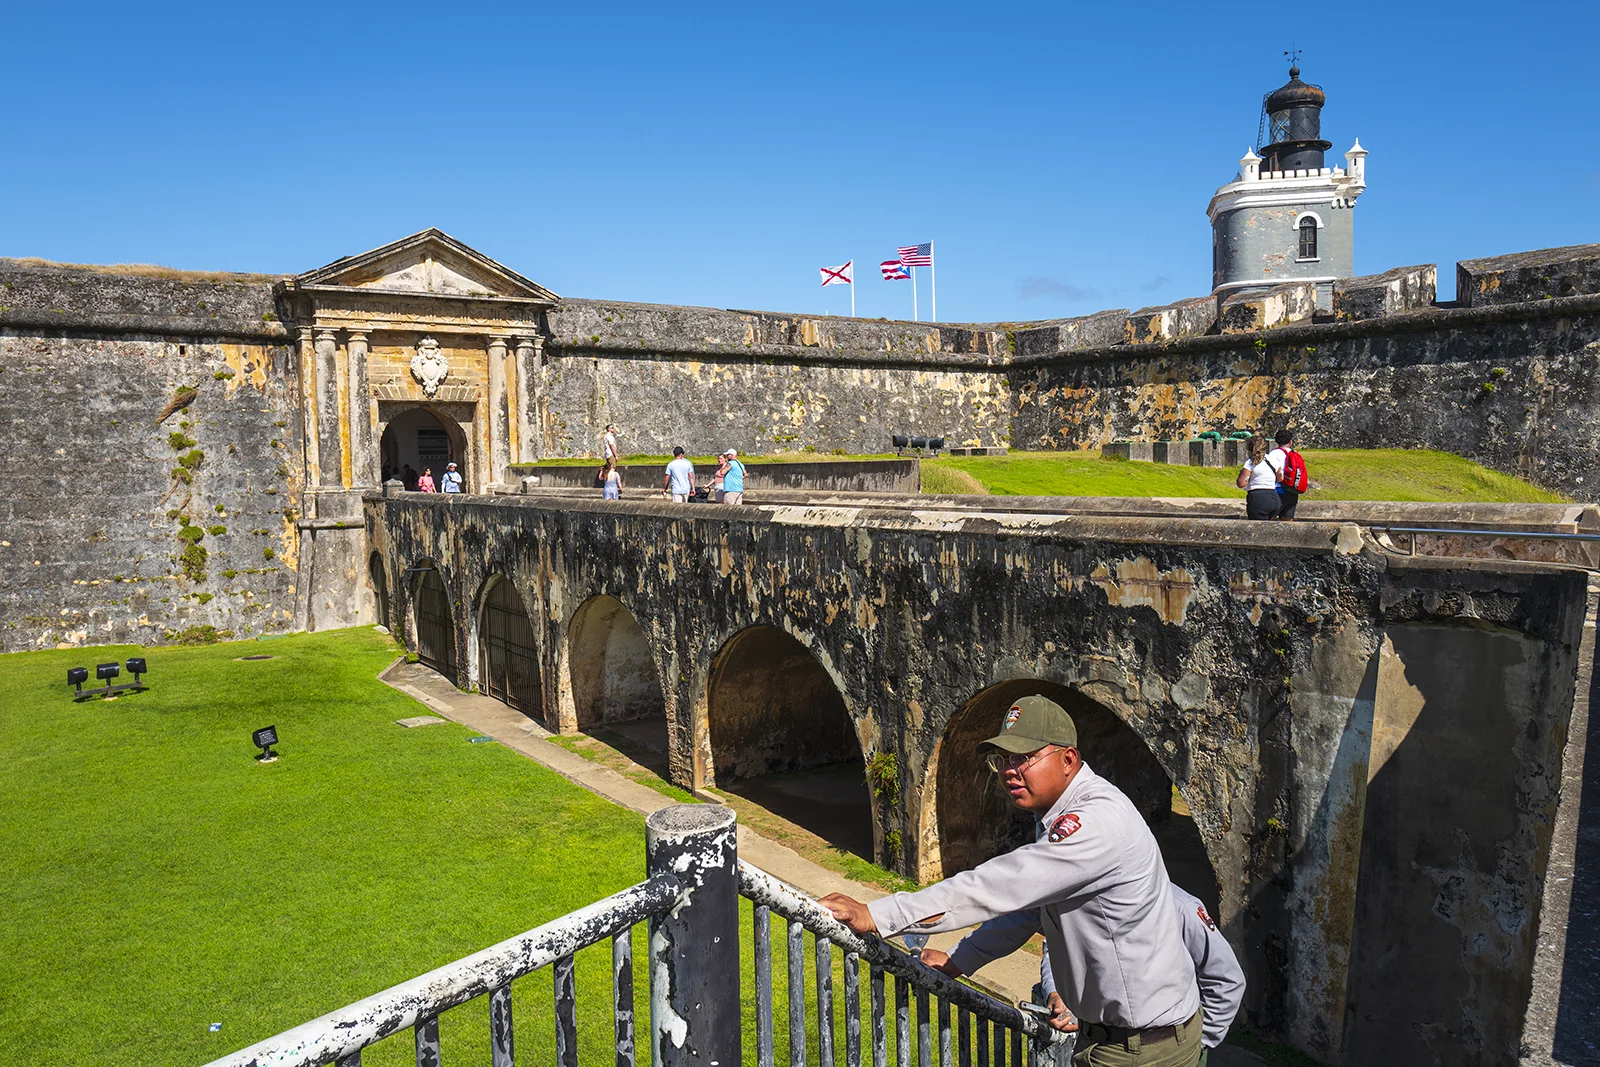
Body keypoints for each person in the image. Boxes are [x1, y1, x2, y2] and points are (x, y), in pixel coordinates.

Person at [821, 695, 1203, 1067]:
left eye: (1023, 757)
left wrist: (879, 914)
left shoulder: (1095, 822)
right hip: (1117, 1038)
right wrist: (959, 960)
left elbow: (1000, 886)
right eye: (1002, 759)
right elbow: (1030, 911)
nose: (1008, 770)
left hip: (1145, 1049)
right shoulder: (1057, 813)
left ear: (1068, 759)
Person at [1038, 885, 1245, 1066]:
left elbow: (1226, 978)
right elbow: (1056, 949)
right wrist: (1055, 991)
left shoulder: (1178, 905)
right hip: (1097, 1044)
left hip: (1173, 1046)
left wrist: (1197, 1042)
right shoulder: (1079, 898)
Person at [1235, 434, 1282, 520]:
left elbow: (1241, 483)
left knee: (1257, 529)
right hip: (1274, 498)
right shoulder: (1272, 460)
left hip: (1258, 498)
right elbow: (1280, 478)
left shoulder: (1250, 463)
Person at [1270, 430, 1305, 521]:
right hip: (1292, 490)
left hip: (1278, 491)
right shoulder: (1295, 454)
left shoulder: (1273, 454)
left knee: (1271, 520)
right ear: (1290, 441)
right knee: (1288, 521)